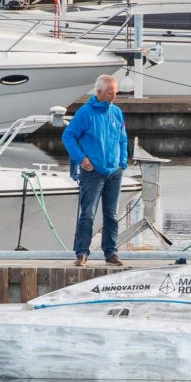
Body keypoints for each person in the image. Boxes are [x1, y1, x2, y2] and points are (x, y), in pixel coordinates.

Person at [60, 73, 130, 268]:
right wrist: (81, 158)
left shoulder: (116, 112)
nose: (113, 97)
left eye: (115, 93)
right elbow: (68, 136)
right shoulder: (85, 113)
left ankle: (111, 252)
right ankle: (81, 253)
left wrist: (122, 161)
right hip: (92, 173)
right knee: (88, 214)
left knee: (112, 215)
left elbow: (123, 138)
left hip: (114, 171)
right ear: (99, 92)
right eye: (110, 93)